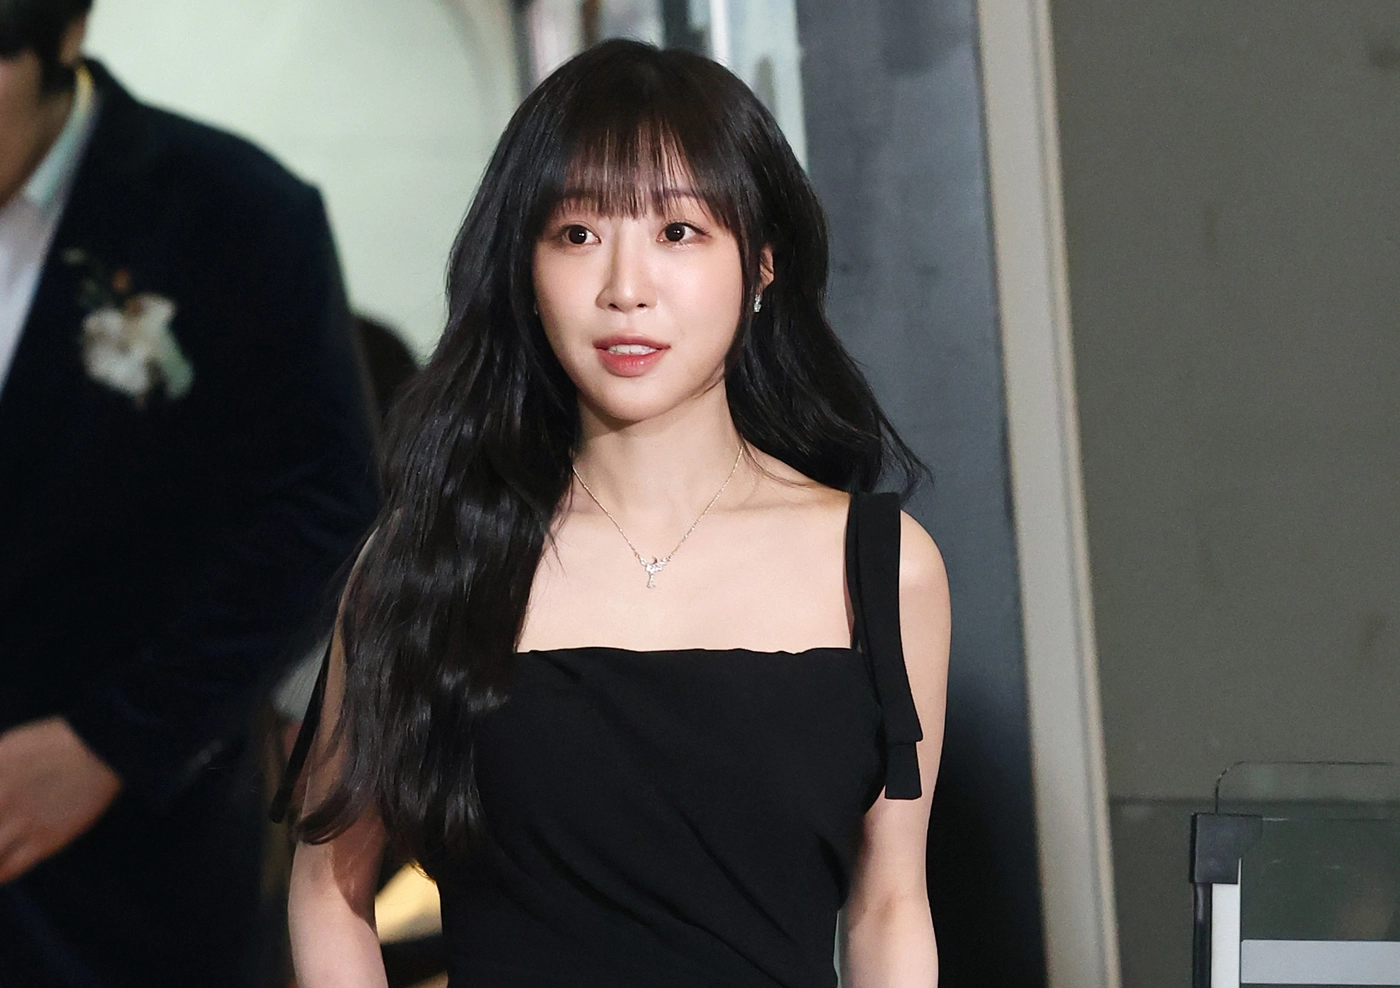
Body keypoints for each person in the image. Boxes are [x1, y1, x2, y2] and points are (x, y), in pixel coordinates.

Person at [287, 39, 950, 988]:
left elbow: (891, 905)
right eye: (577, 234)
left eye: (678, 231)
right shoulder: (430, 558)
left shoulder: (881, 567)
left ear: (762, 264)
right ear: (524, 268)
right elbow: (330, 891)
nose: (625, 290)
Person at [0, 2, 379, 985]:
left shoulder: (232, 213)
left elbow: (322, 503)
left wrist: (113, 743)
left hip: (133, 859)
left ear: (61, 36)